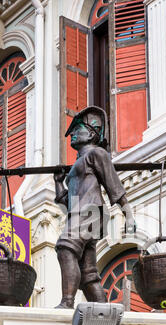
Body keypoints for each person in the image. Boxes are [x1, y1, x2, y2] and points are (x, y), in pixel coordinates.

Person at [54, 106, 136, 309]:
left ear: (91, 133)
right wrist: (58, 182)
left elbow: (112, 184)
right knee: (87, 273)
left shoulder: (97, 154)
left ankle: (67, 302)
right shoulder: (77, 166)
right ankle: (102, 309)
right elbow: (66, 201)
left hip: (90, 212)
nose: (72, 134)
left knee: (65, 248)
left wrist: (128, 214)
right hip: (82, 213)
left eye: (77, 129)